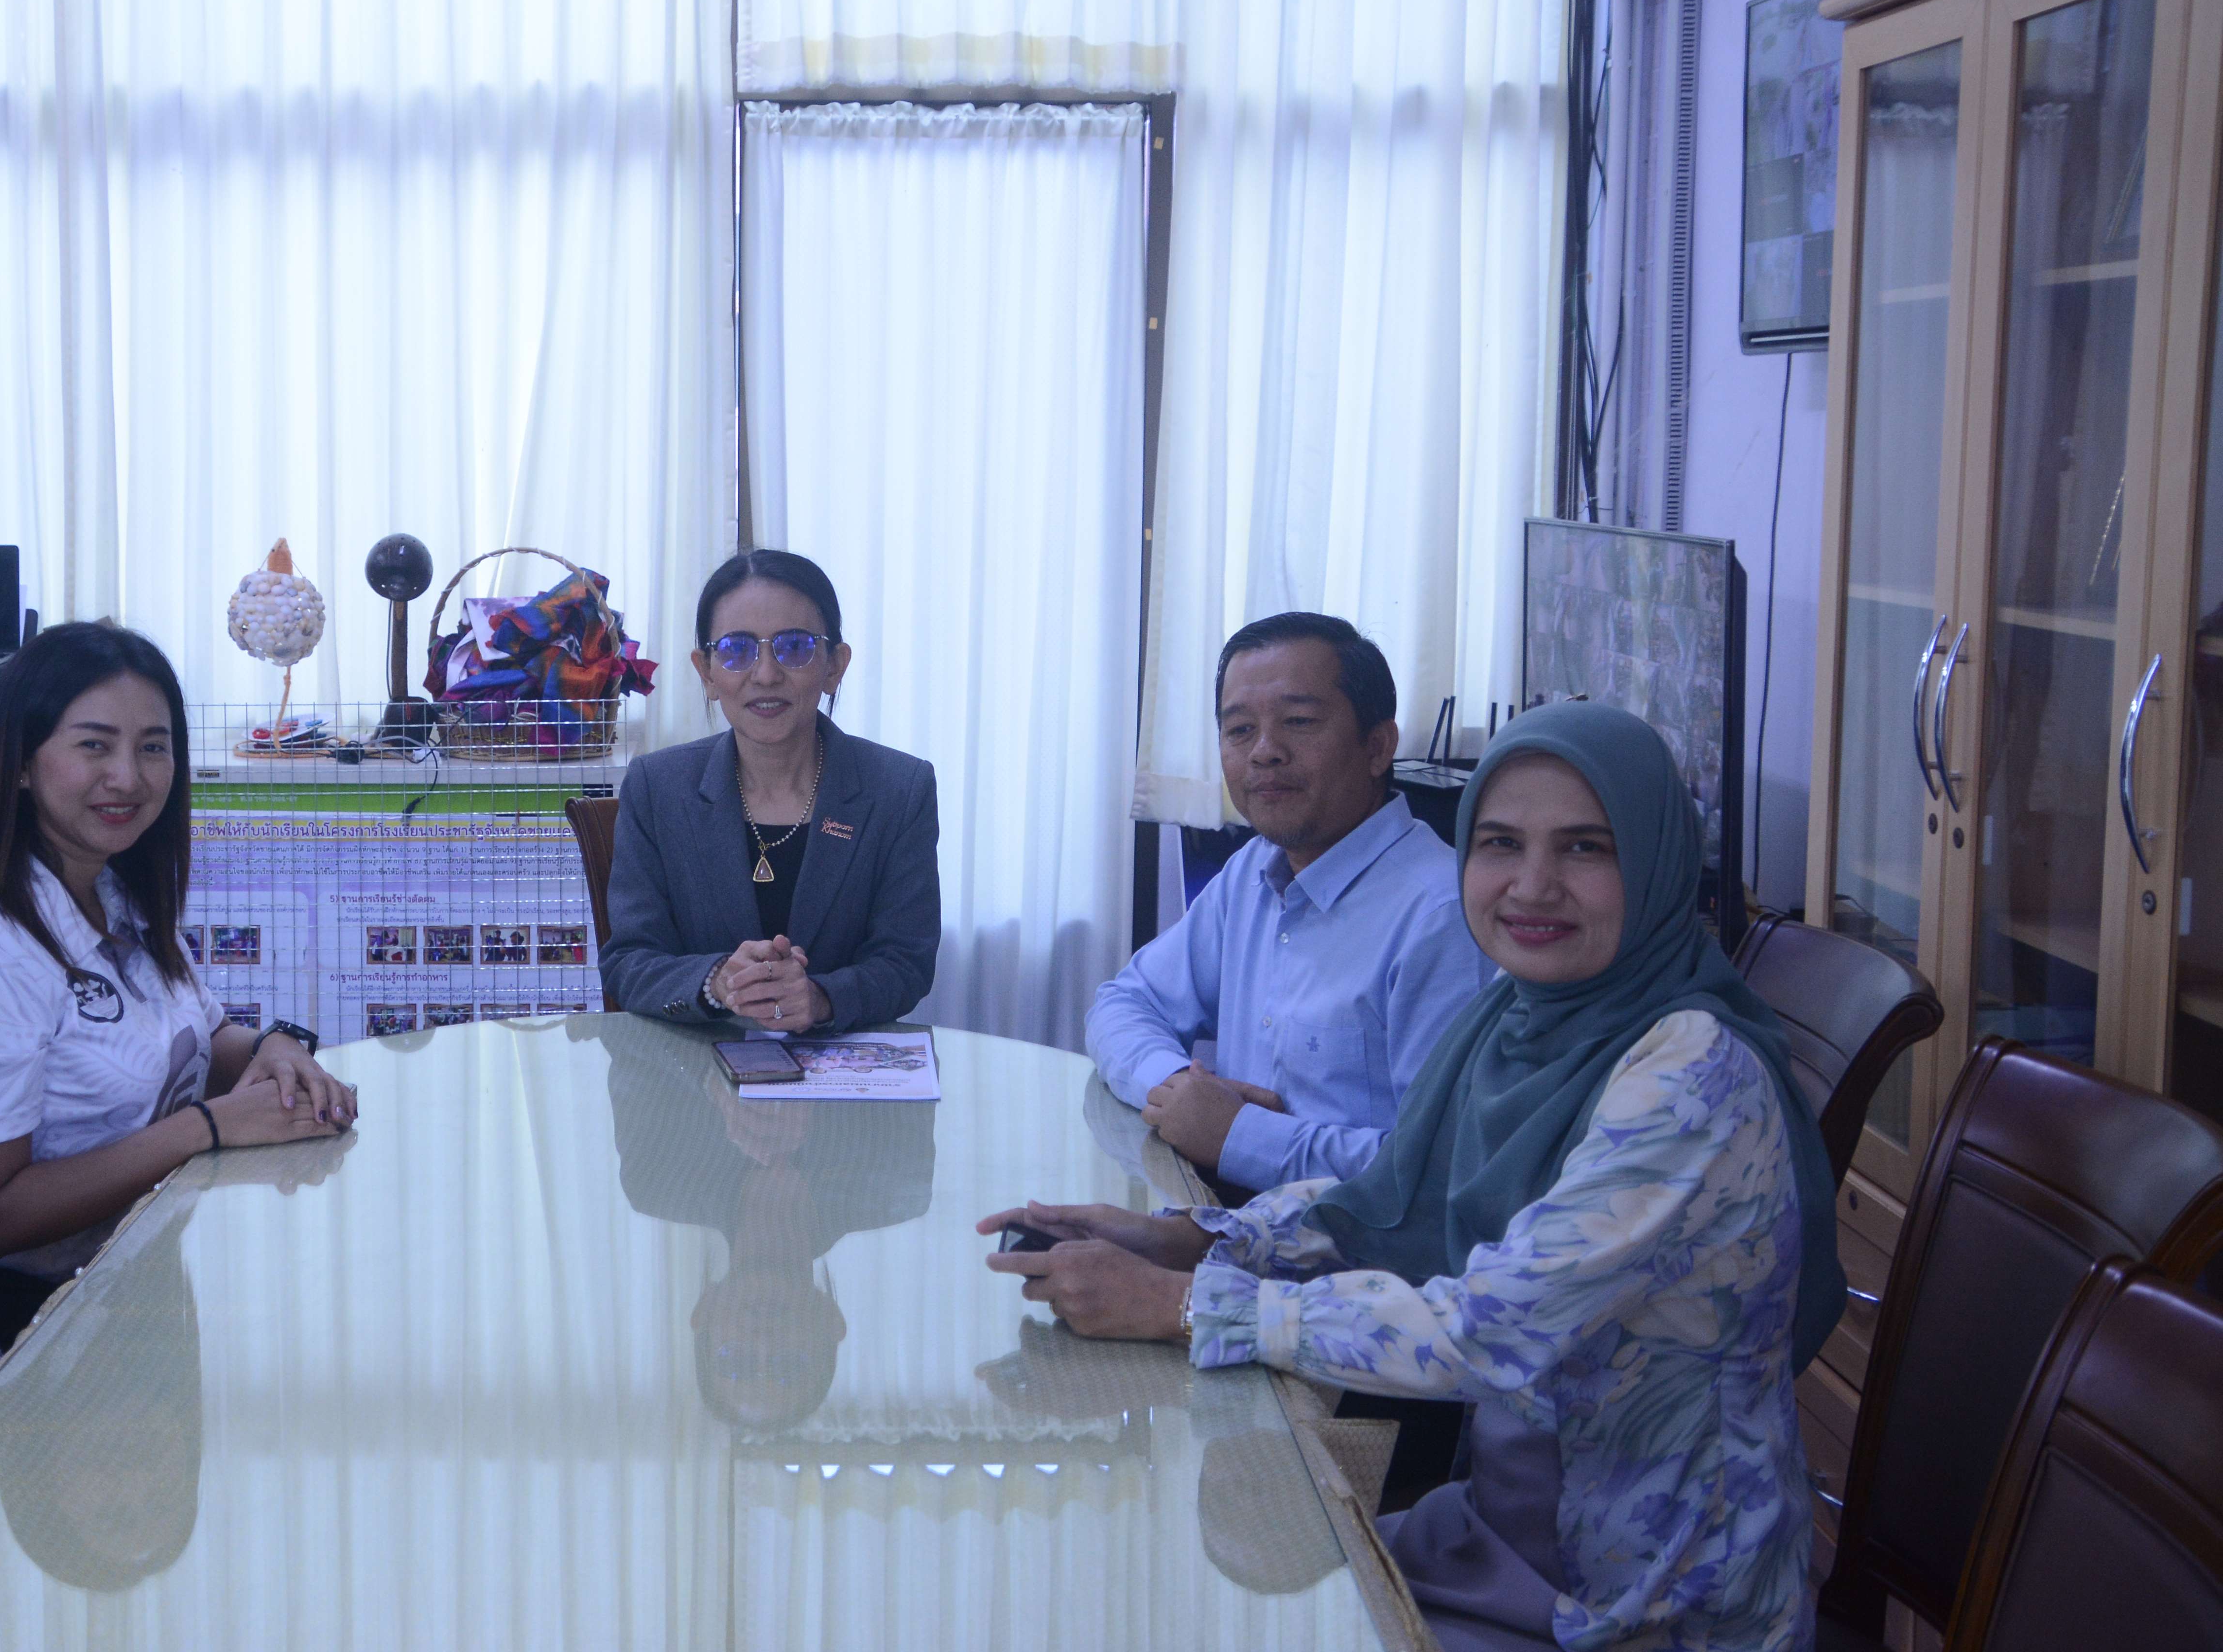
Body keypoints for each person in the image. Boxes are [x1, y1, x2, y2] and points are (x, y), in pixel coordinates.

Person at [985, 701, 1845, 1652]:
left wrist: (1186, 1306)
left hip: (1648, 1603)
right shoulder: (1523, 1023)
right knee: (1157, 1579)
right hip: (1503, 1534)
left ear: (1656, 863)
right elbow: (1395, 1198)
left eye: (1585, 847)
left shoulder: (1691, 1079)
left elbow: (1490, 1328)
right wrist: (1190, 1238)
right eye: (1502, 843)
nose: (1533, 885)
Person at [0, 622, 354, 1339]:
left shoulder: (112, 887)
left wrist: (272, 1049)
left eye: (153, 747)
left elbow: (204, 1036)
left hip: (136, 1282)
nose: (129, 778)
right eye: (94, 745)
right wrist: (206, 1129)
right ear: (20, 763)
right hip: (26, 1329)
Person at [1087, 612, 1491, 1196]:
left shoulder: (1442, 915)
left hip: (1343, 1249)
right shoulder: (1253, 870)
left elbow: (1441, 1171)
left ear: (1379, 746)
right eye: (1240, 730)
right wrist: (1177, 1088)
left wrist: (1239, 1136)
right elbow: (1125, 1002)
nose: (1265, 752)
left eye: (1299, 722)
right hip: (1225, 1222)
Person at [600, 550, 938, 1031]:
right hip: (693, 1068)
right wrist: (717, 981)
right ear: (707, 672)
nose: (765, 674)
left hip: (841, 1072)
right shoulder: (658, 788)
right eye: (737, 650)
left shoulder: (899, 790)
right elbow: (630, 961)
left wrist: (821, 998)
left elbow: (906, 962)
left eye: (794, 647)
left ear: (835, 666)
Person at [585, 1011, 934, 1430]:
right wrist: (815, 1096)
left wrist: (713, 1078)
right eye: (790, 1365)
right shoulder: (894, 1190)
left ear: (703, 1317)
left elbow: (626, 1031)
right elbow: (905, 1032)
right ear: (832, 1324)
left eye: (736, 1360)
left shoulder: (657, 1181)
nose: (764, 1343)